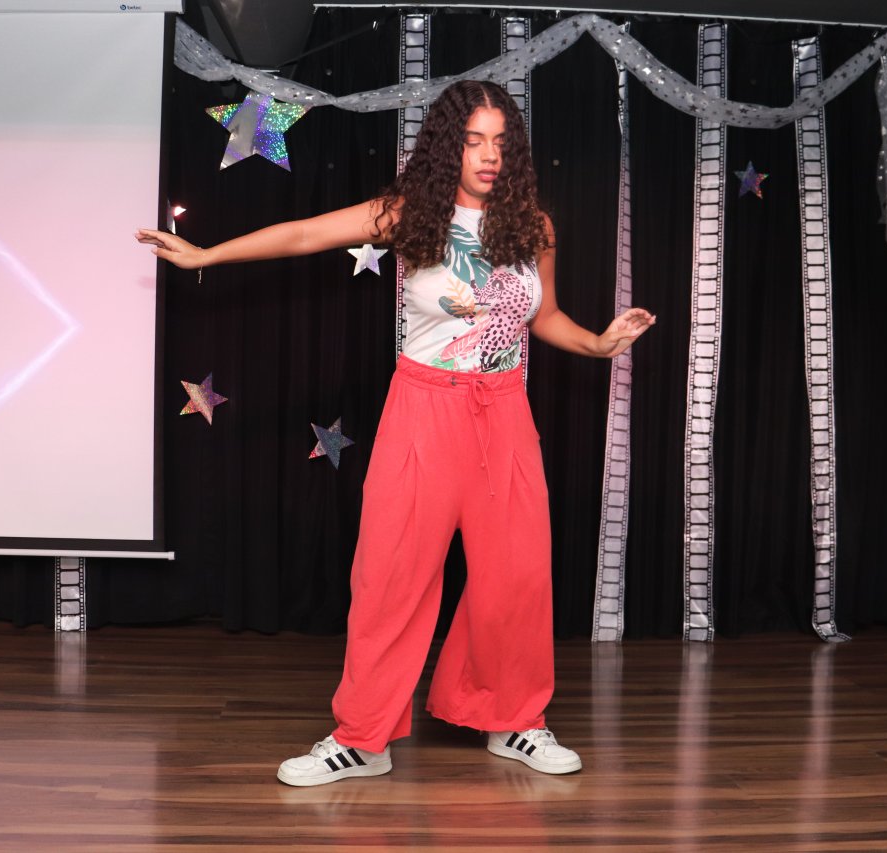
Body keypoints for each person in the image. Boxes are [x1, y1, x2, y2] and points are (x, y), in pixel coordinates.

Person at [136, 80, 655, 787]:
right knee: (390, 578)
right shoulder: (410, 214)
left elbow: (545, 316)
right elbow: (304, 233)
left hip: (504, 412)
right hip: (423, 408)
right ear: (447, 147)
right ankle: (363, 738)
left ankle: (515, 719)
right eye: (473, 141)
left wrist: (598, 343)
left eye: (501, 142)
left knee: (517, 576)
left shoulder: (533, 226)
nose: (489, 155)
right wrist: (206, 255)